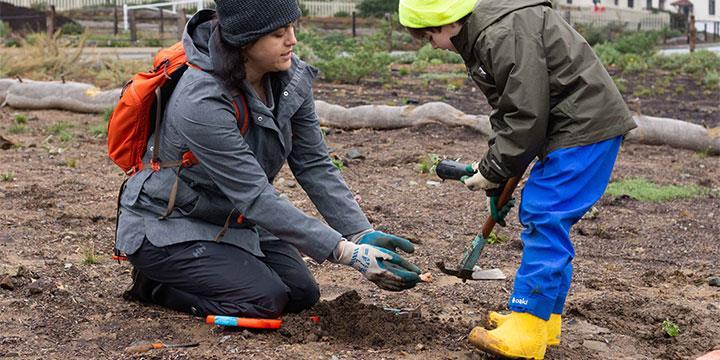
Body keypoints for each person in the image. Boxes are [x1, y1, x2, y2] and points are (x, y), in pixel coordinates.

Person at [116, 0, 421, 319]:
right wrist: (345, 252)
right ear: (244, 40)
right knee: (262, 302)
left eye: (292, 28)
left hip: (230, 216)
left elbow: (314, 165)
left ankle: (210, 270)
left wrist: (359, 233)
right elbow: (255, 196)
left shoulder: (289, 80)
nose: (292, 40)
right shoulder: (200, 99)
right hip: (169, 222)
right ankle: (153, 284)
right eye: (278, 33)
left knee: (302, 294)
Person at [399, 0, 637, 358]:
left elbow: (526, 114)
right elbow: (508, 110)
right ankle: (544, 321)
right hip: (573, 125)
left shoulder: (500, 34)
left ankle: (527, 324)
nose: (431, 44)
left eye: (430, 35)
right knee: (548, 216)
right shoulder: (489, 31)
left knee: (544, 214)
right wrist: (495, 173)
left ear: (449, 22)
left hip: (584, 128)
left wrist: (494, 167)